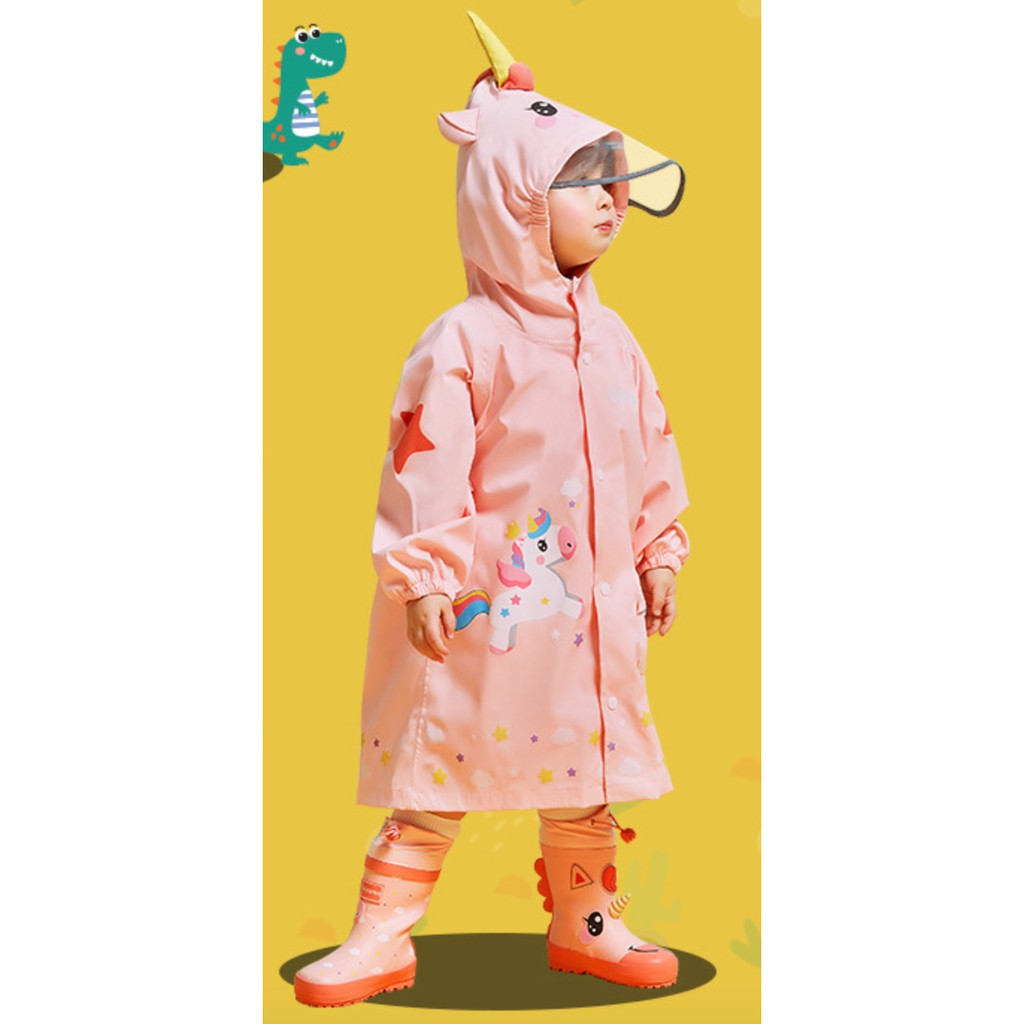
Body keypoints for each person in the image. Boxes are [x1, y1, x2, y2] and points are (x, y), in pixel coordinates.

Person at [294, 12, 690, 1008]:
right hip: (485, 612)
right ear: (513, 199)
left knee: (586, 771)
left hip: (588, 618)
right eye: (581, 182)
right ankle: (381, 935)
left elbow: (651, 450)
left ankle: (586, 921)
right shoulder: (464, 340)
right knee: (441, 769)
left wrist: (659, 548)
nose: (611, 199)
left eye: (615, 181)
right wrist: (424, 575)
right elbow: (423, 465)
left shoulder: (616, 341)